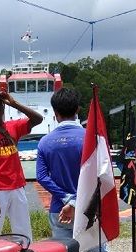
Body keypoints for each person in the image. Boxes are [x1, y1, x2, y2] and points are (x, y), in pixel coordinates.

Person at [0, 89, 43, 242]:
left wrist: (14, 103)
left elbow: (38, 119)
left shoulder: (13, 127)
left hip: (17, 187)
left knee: (23, 229)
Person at [35, 87, 84, 239]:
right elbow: (99, 175)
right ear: (78, 110)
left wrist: (66, 198)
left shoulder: (44, 142)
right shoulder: (91, 138)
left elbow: (42, 177)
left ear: (55, 114)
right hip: (87, 208)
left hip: (59, 208)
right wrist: (76, 201)